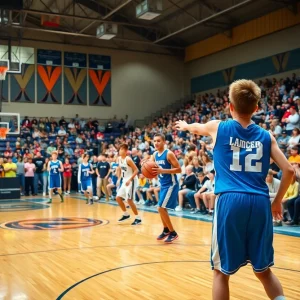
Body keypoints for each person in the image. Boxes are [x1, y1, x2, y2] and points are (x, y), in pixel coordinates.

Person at [175, 79, 294, 300]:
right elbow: (289, 170)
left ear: (230, 106)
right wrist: (277, 201)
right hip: (259, 202)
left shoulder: (218, 127)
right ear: (257, 108)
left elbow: (197, 128)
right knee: (263, 270)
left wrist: (185, 126)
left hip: (230, 200)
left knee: (221, 272)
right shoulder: (267, 136)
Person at [149, 133, 181, 243]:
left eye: (158, 141)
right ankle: (166, 229)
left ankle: (173, 232)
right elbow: (150, 165)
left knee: (160, 208)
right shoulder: (154, 154)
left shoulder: (169, 154)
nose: (156, 143)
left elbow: (179, 169)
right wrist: (147, 172)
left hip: (171, 184)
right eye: (154, 141)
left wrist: (163, 171)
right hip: (163, 184)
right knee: (161, 208)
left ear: (164, 142)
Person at [116, 144, 141, 225]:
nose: (120, 151)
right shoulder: (119, 159)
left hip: (132, 180)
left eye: (122, 149)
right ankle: (126, 214)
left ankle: (138, 218)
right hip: (124, 180)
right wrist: (119, 179)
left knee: (129, 200)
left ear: (126, 151)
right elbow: (119, 168)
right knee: (118, 198)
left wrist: (130, 180)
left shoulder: (128, 159)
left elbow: (136, 170)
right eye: (119, 149)